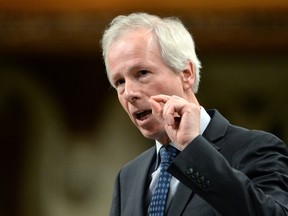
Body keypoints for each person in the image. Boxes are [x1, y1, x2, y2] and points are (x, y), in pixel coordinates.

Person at [101, 12, 288, 216]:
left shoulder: (256, 148)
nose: (129, 93)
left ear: (186, 73)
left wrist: (193, 148)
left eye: (142, 73)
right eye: (119, 82)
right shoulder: (128, 177)